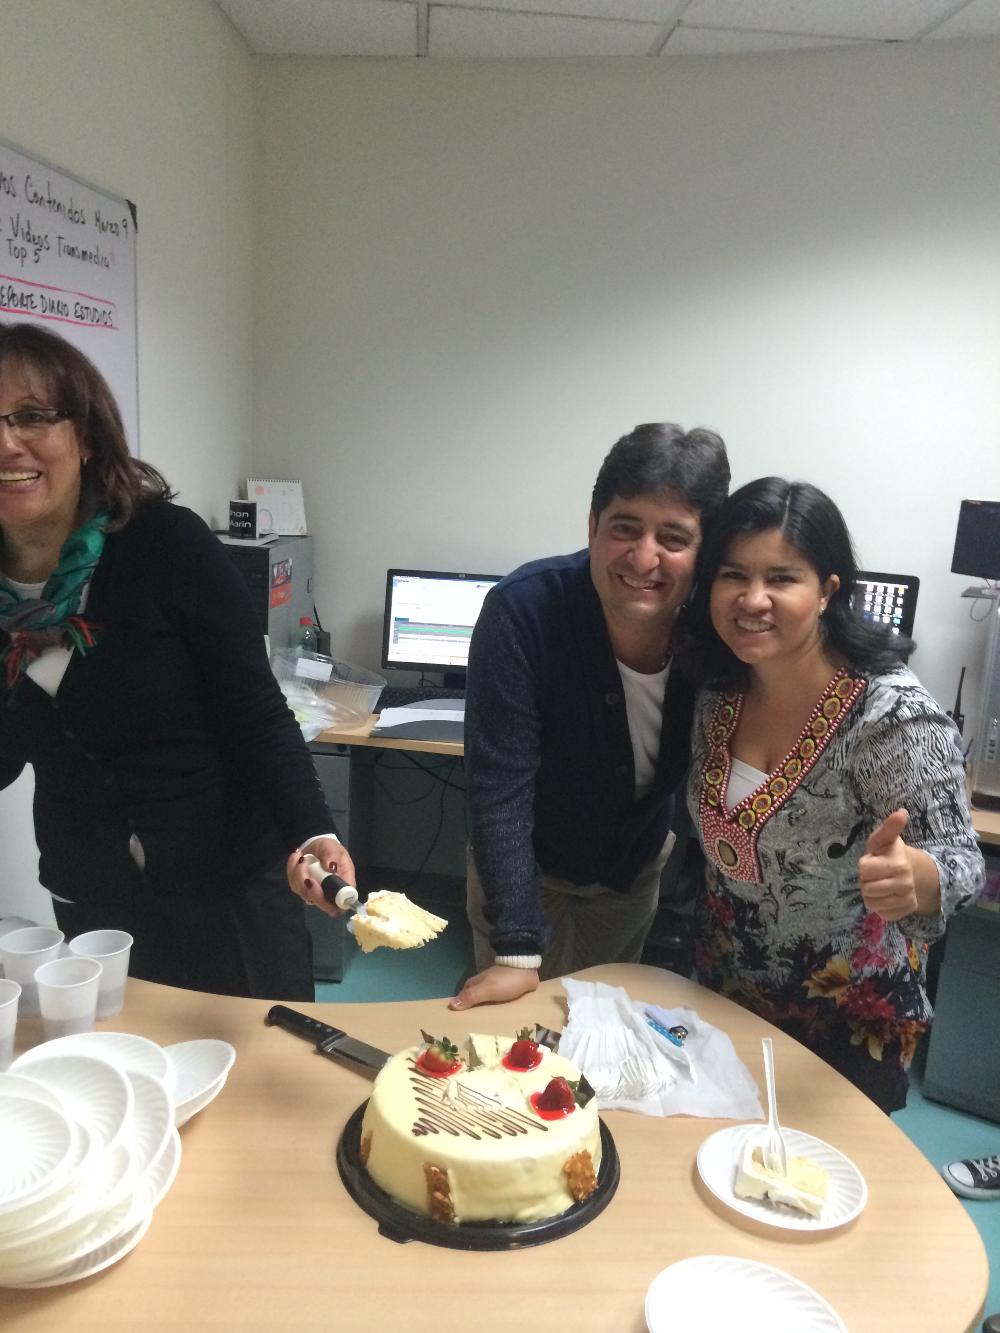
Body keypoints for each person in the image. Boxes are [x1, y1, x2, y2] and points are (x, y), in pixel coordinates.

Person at [0, 321, 355, 999]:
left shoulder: (165, 545)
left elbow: (256, 714)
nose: (7, 443)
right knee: (118, 1053)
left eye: (33, 416)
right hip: (92, 894)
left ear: (86, 435)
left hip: (229, 881)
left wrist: (312, 831)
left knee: (263, 1054)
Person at [681, 476, 983, 1112]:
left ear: (827, 591)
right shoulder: (718, 692)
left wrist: (919, 876)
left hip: (845, 1024)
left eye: (782, 578)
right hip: (726, 993)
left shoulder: (889, 717)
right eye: (733, 574)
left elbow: (963, 860)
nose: (753, 599)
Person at [449, 422, 731, 1011]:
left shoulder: (717, 627)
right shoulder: (523, 611)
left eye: (673, 538)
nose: (644, 557)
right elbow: (500, 788)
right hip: (524, 863)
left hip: (631, 867)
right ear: (593, 525)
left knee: (603, 1025)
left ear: (704, 551)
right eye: (624, 528)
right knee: (523, 1033)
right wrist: (516, 949)